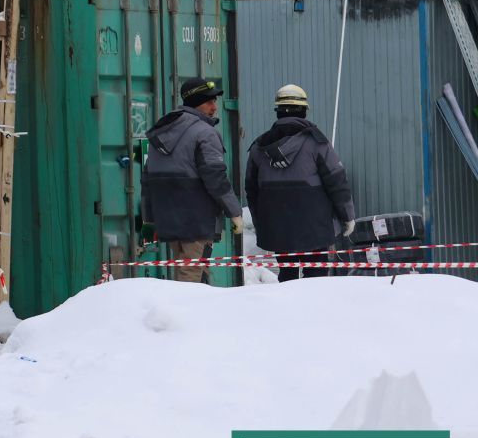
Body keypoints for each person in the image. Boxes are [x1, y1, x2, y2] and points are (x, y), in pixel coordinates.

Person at [245, 84, 355, 280]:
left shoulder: (258, 147)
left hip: (277, 226)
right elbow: (336, 180)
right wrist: (347, 216)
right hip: (315, 227)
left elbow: (251, 190)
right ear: (304, 111)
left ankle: (287, 310)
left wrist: (261, 221)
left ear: (277, 111)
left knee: (287, 275)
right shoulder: (317, 143)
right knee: (316, 275)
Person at [142, 77, 243, 283]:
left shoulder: (161, 130)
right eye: (209, 102)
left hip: (169, 216)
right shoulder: (205, 133)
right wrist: (234, 212)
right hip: (196, 217)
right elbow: (216, 177)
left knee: (186, 269)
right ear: (196, 103)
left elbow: (148, 177)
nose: (215, 107)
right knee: (192, 275)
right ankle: (186, 314)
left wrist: (149, 217)